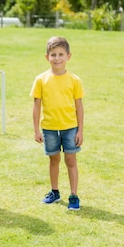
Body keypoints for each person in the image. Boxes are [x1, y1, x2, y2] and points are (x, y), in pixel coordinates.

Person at [30, 36, 85, 210]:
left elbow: (79, 107)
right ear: (47, 57)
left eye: (61, 54)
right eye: (53, 54)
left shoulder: (74, 80)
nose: (57, 58)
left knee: (71, 161)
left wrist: (80, 131)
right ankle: (55, 192)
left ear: (69, 56)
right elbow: (36, 106)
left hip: (70, 127)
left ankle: (74, 195)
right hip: (49, 128)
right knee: (54, 160)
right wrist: (36, 130)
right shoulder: (41, 79)